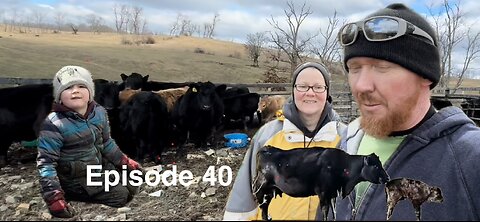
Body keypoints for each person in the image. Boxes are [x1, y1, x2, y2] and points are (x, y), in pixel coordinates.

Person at [333, 3, 480, 220]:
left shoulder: (470, 160)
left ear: (425, 76)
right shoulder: (346, 144)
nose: (361, 85)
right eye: (355, 68)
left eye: (382, 67)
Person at [223, 61, 346, 220]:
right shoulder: (267, 135)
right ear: (293, 90)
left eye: (318, 87)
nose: (310, 92)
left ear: (327, 92)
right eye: (302, 86)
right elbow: (243, 199)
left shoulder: (345, 138)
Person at [36, 66, 142, 218]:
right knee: (121, 196)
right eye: (68, 88)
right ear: (60, 95)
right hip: (72, 176)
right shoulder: (54, 124)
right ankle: (68, 194)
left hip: (96, 168)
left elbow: (106, 143)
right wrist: (53, 195)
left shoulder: (98, 112)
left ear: (90, 91)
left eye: (81, 86)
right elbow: (46, 162)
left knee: (132, 187)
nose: (75, 91)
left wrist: (124, 161)